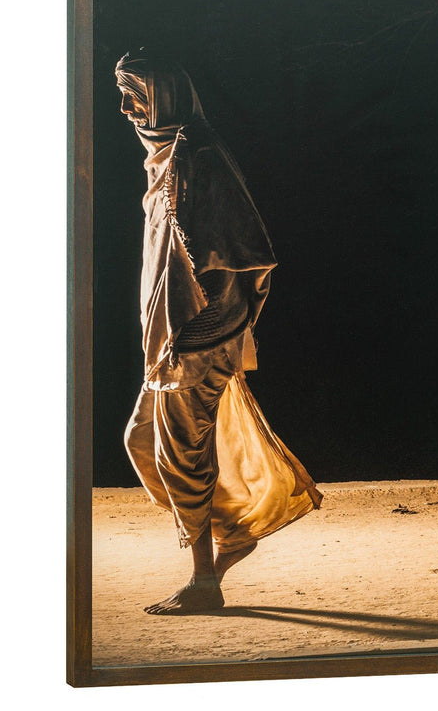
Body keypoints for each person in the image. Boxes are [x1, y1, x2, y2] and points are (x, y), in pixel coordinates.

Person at [116, 48, 321, 615]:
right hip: (170, 344)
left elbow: (246, 255)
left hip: (196, 341)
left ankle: (204, 580)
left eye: (136, 95)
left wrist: (205, 333)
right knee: (142, 442)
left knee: (183, 455)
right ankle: (233, 530)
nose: (127, 109)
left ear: (165, 96)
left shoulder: (200, 157)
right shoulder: (166, 159)